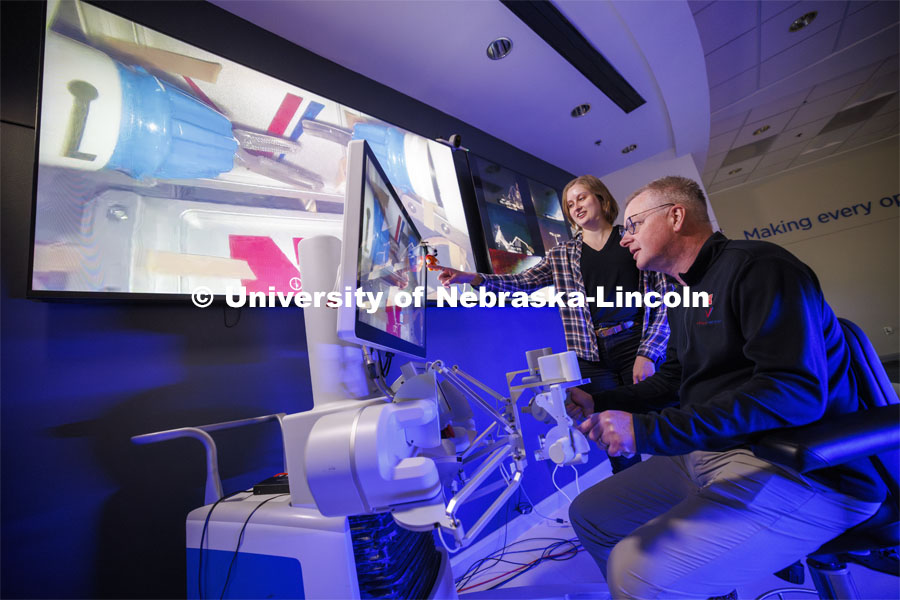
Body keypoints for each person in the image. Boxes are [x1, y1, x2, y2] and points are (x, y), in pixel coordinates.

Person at [565, 176, 884, 599]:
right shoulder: (682, 294)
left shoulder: (759, 268)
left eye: (634, 225)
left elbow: (793, 394)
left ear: (676, 216)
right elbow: (672, 381)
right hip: (714, 450)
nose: (625, 240)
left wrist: (648, 432)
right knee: (589, 514)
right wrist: (601, 399)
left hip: (800, 466)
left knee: (635, 572)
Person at [438, 175, 671, 472]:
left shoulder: (631, 240)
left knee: (660, 419)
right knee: (615, 437)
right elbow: (522, 282)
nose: (576, 206)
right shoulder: (562, 255)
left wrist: (648, 352)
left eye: (582, 198)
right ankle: (636, 501)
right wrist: (473, 278)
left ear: (601, 199)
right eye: (570, 204)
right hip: (591, 354)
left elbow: (664, 299)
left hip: (635, 344)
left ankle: (693, 487)